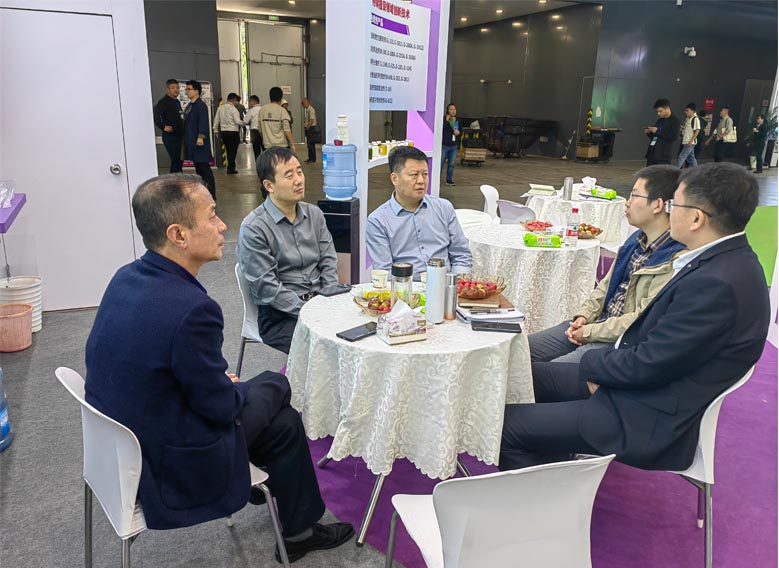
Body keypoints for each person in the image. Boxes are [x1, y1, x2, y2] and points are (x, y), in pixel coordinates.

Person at [85, 173, 353, 562]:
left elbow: (151, 367)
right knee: (279, 391)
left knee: (279, 420)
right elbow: (223, 408)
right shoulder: (191, 309)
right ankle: (297, 528)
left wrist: (213, 382)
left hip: (117, 450)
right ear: (178, 235)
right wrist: (232, 387)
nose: (223, 226)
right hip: (167, 461)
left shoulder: (126, 277)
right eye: (212, 216)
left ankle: (297, 526)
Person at [500, 162, 769, 473]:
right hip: (638, 383)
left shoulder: (715, 283)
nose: (670, 213)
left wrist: (596, 370)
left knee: (505, 426)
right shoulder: (727, 262)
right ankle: (555, 465)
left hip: (644, 412)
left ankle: (550, 497)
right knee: (523, 375)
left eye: (675, 205)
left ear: (696, 218)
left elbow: (649, 364)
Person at [529, 165, 686, 364]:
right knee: (518, 350)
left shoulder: (675, 258)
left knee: (547, 373)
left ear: (657, 205)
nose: (627, 202)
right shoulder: (635, 240)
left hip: (620, 342)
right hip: (596, 324)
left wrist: (590, 331)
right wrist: (584, 316)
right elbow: (605, 286)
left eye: (634, 195)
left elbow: (641, 319)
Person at [237, 147, 338, 354]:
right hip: (279, 315)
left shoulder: (315, 214)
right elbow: (268, 289)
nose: (299, 180)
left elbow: (329, 262)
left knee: (363, 332)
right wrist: (309, 312)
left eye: (299, 172)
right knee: (327, 349)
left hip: (320, 301)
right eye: (289, 175)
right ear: (269, 185)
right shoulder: (254, 228)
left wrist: (329, 302)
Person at [366, 145, 472, 276]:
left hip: (446, 284)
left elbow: (461, 255)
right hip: (405, 286)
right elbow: (385, 272)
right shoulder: (378, 221)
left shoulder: (444, 208)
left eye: (425, 174)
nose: (421, 181)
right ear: (395, 178)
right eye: (414, 175)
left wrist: (458, 283)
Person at [183, 80, 216, 199]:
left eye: (189, 89)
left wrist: (201, 137)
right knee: (198, 168)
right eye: (186, 89)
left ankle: (211, 193)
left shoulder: (201, 106)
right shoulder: (190, 105)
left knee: (204, 168)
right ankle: (204, 191)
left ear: (197, 91)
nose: (187, 91)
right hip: (192, 141)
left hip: (199, 142)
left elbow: (203, 123)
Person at [153, 78, 184, 173]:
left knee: (179, 160)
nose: (176, 90)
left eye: (177, 88)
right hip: (170, 136)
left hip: (179, 135)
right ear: (168, 89)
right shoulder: (164, 102)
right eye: (173, 88)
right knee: (175, 160)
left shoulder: (177, 101)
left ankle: (178, 178)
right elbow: (155, 114)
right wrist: (163, 127)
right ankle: (174, 179)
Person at [643, 98, 680, 166]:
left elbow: (674, 137)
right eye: (657, 112)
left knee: (661, 172)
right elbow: (655, 136)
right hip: (652, 154)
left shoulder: (675, 120)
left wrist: (657, 131)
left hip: (663, 157)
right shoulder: (660, 120)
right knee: (649, 172)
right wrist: (649, 132)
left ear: (667, 108)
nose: (658, 114)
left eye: (660, 111)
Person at [261, 87, 296, 153]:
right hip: (281, 145)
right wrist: (292, 144)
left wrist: (265, 140)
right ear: (281, 98)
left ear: (270, 96)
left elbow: (260, 129)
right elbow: (286, 128)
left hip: (267, 146)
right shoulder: (282, 111)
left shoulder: (262, 110)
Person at [214, 92, 241, 174]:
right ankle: (231, 168)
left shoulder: (220, 108)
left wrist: (215, 130)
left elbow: (216, 120)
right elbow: (237, 121)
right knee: (233, 151)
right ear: (233, 100)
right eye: (236, 101)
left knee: (228, 150)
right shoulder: (234, 109)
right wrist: (245, 123)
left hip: (224, 133)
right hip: (233, 132)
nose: (236, 103)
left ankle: (230, 167)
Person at [441, 103, 460, 186]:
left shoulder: (456, 120)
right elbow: (441, 129)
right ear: (448, 111)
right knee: (441, 163)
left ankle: (449, 180)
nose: (453, 111)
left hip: (453, 145)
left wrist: (458, 132)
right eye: (451, 109)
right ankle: (437, 179)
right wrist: (446, 121)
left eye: (454, 109)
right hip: (444, 145)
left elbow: (460, 130)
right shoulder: (444, 119)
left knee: (451, 164)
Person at [677, 103, 700, 168]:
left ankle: (675, 171)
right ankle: (695, 170)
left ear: (693, 111)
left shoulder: (695, 119)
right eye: (685, 110)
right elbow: (687, 129)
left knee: (681, 157)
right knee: (691, 158)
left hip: (690, 142)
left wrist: (691, 140)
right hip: (687, 141)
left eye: (687, 110)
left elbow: (697, 130)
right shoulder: (688, 119)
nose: (686, 112)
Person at [243, 94, 263, 161]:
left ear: (254, 101)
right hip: (264, 131)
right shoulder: (263, 109)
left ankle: (258, 164)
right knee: (265, 149)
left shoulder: (251, 110)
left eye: (250, 102)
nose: (249, 104)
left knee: (256, 151)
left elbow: (245, 121)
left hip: (254, 132)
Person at [301, 98, 318, 163]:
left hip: (311, 128)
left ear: (307, 102)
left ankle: (313, 158)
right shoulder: (308, 110)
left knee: (311, 144)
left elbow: (311, 120)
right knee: (309, 144)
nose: (303, 105)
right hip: (309, 128)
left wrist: (307, 127)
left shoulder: (311, 110)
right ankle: (310, 157)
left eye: (303, 104)